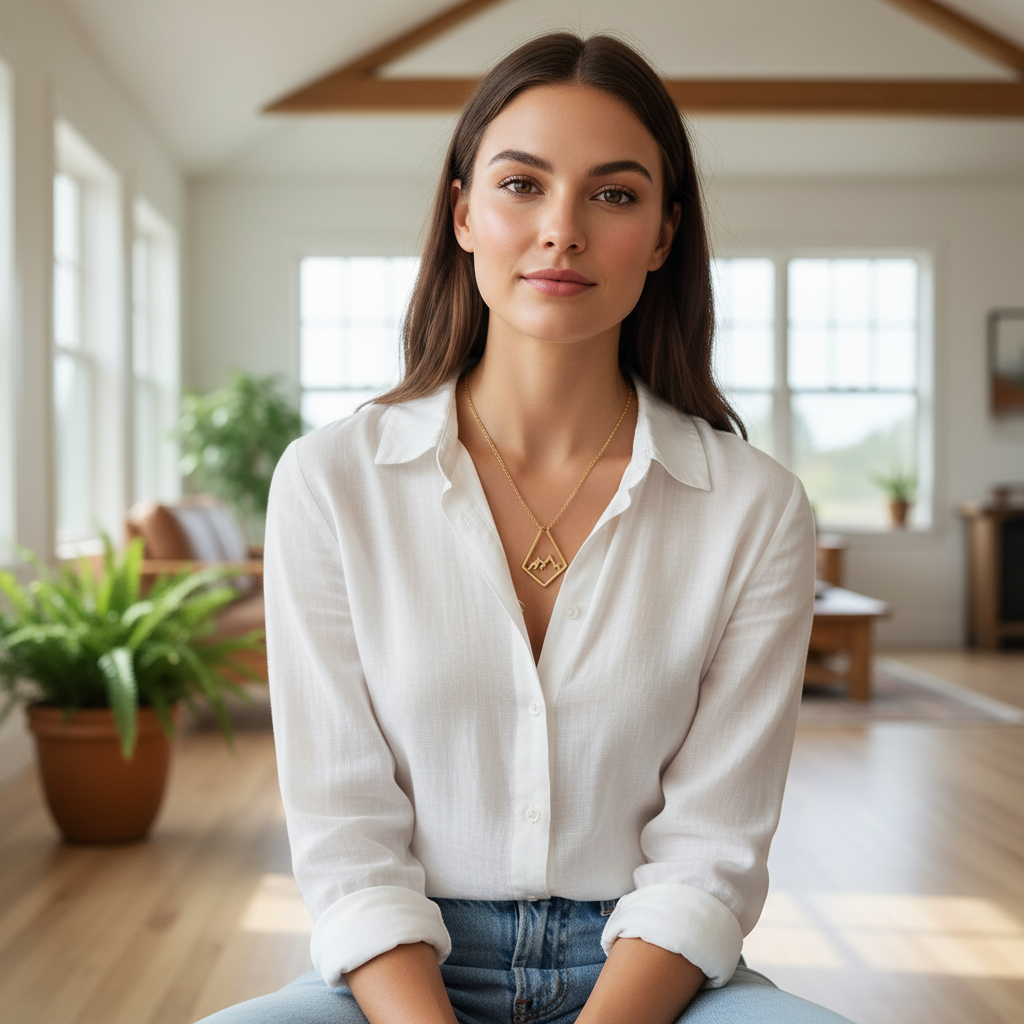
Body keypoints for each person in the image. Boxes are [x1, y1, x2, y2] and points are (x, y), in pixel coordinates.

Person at [199, 32, 853, 1024]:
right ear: (462, 212)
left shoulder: (753, 506)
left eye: (614, 194)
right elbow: (347, 833)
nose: (562, 229)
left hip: (648, 972)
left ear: (665, 235)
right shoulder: (331, 480)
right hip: (400, 967)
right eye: (521, 185)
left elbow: (711, 849)